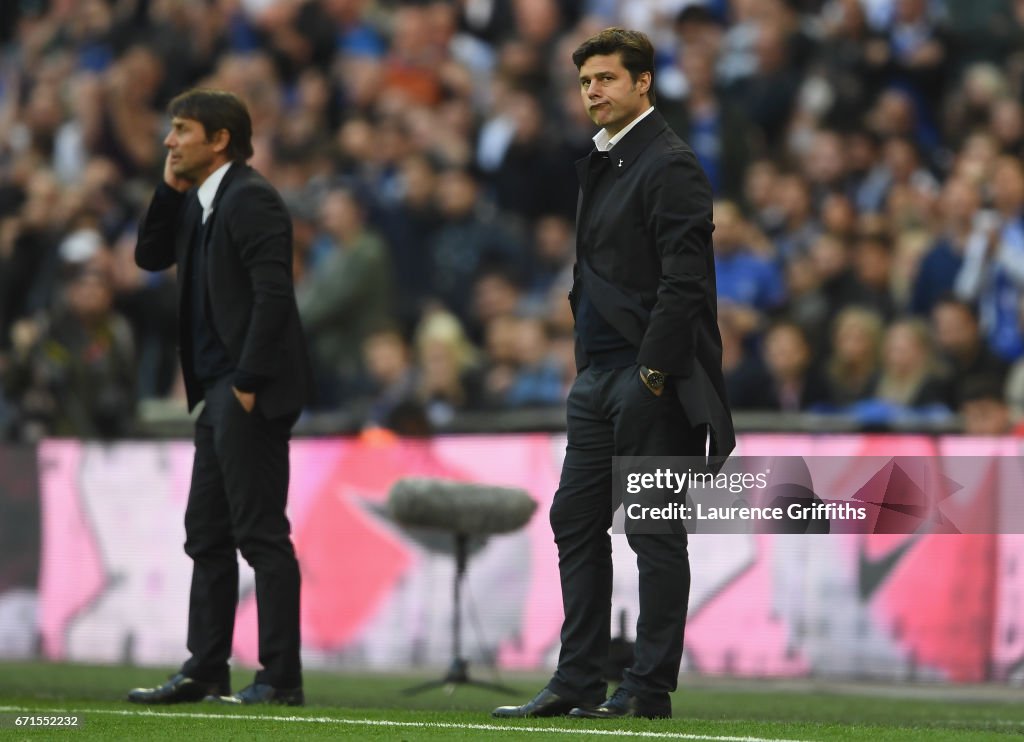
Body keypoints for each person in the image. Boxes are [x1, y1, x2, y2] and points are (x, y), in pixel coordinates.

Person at [492, 28, 733, 721]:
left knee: (654, 530)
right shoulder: (604, 160)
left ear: (643, 83)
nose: (593, 92)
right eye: (586, 81)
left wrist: (654, 373)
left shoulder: (669, 163)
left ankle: (648, 688)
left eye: (606, 79)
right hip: (597, 374)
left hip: (645, 374)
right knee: (576, 518)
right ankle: (579, 679)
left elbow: (684, 283)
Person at [127, 89, 312, 707]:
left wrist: (249, 383)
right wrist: (170, 189)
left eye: (181, 130)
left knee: (260, 535)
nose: (169, 141)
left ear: (220, 139)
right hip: (215, 392)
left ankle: (281, 678)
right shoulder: (200, 202)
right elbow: (149, 256)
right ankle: (206, 669)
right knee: (206, 533)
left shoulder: (251, 199)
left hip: (244, 389)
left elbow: (273, 296)